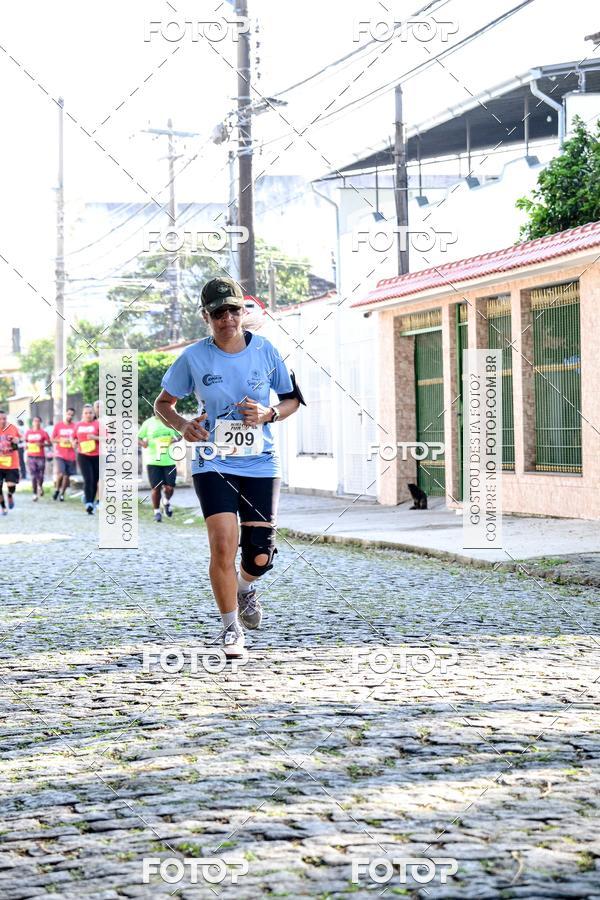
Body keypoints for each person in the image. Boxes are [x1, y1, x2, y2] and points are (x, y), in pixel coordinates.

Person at [155, 277, 305, 658]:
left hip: (260, 462)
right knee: (223, 546)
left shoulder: (266, 351)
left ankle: (244, 586)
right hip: (213, 463)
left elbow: (291, 401)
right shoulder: (193, 357)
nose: (227, 319)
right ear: (206, 317)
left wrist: (269, 413)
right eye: (218, 313)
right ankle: (230, 628)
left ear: (243, 312)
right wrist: (183, 425)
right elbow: (163, 403)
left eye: (233, 310)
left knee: (260, 556)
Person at [138, 414, 180, 523]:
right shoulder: (148, 423)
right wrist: (143, 443)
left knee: (169, 487)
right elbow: (138, 437)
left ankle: (166, 502)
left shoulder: (170, 421)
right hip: (153, 461)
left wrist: (174, 440)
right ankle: (157, 512)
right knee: (156, 488)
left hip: (169, 460)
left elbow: (180, 435)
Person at [73, 404, 100, 515]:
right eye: (86, 413)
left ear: (93, 414)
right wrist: (73, 442)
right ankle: (88, 503)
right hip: (83, 455)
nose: (88, 415)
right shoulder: (78, 425)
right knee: (88, 479)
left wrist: (95, 438)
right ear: (82, 414)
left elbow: (107, 438)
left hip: (97, 456)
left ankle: (91, 500)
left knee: (95, 480)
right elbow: (73, 436)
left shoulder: (98, 424)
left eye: (90, 413)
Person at [52, 407, 78, 501]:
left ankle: (62, 494)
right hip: (60, 454)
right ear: (65, 414)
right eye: (68, 414)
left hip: (71, 455)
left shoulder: (75, 426)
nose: (69, 416)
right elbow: (53, 439)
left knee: (67, 476)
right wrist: (61, 440)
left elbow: (78, 439)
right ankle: (57, 490)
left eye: (72, 415)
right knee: (61, 473)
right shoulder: (58, 426)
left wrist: (74, 442)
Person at [24, 416, 51, 500]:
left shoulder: (43, 432)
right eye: (35, 421)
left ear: (40, 422)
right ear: (32, 423)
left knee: (41, 475)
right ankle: (34, 493)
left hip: (40, 456)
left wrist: (42, 444)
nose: (36, 423)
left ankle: (40, 486)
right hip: (31, 456)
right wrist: (26, 446)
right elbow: (25, 442)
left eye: (38, 421)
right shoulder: (28, 432)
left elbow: (49, 443)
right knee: (33, 475)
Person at [0, 411, 21, 514]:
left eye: (4, 418)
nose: (2, 421)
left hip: (12, 463)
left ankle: (10, 495)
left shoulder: (12, 428)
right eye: (0, 419)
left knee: (11, 486)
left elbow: (19, 440)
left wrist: (16, 440)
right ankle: (3, 507)